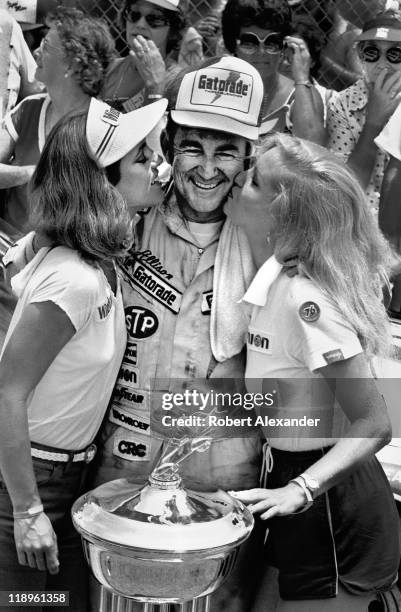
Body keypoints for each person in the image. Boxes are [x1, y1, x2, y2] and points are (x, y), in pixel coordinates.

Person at [90, 56, 265, 612]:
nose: (208, 169)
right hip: (123, 457)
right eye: (193, 147)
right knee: (113, 597)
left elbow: (340, 392)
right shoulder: (127, 218)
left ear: (248, 159)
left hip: (223, 471)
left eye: (226, 151)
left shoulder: (271, 240)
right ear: (169, 146)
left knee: (213, 603)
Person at [0, 94, 168, 612]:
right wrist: (28, 510)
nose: (161, 165)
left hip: (63, 481)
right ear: (102, 183)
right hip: (28, 492)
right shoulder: (74, 278)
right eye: (142, 157)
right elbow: (6, 391)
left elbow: (19, 262)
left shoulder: (89, 256)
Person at [224, 132, 400, 611]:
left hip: (329, 502)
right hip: (290, 485)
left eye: (255, 180)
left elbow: (376, 422)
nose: (239, 178)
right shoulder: (279, 274)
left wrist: (300, 489)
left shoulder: (308, 298)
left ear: (284, 212)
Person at [0, 5, 115, 235]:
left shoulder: (106, 125)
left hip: (62, 255)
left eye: (46, 46)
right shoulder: (29, 109)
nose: (34, 52)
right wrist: (30, 173)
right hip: (6, 244)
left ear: (73, 64)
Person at [327, 9, 401, 214]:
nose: (383, 64)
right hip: (361, 221)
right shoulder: (342, 104)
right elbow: (343, 190)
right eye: (372, 53)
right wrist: (374, 124)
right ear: (360, 55)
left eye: (395, 54)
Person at [221, 0, 326, 143]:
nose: (261, 52)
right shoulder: (216, 87)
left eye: (271, 42)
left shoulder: (300, 95)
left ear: (284, 45)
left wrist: (301, 78)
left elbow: (314, 151)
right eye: (249, 42)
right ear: (233, 45)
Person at [101, 0, 203, 112]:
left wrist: (155, 87)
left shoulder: (179, 82)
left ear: (173, 28)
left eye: (155, 18)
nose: (140, 24)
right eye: (134, 14)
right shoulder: (110, 69)